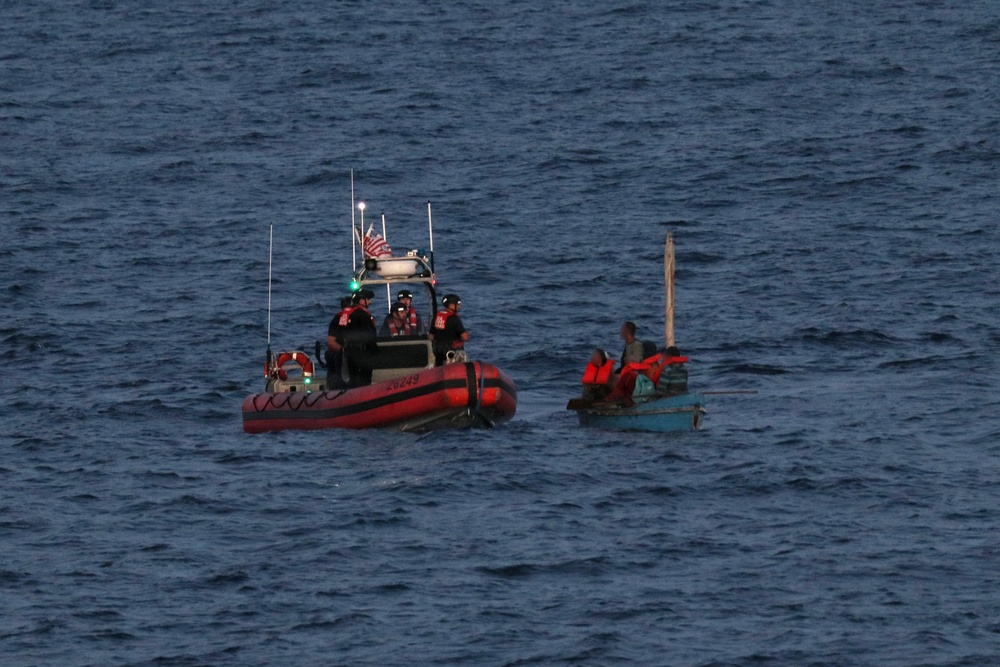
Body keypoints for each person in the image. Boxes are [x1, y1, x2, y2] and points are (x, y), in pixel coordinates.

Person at [602, 346, 690, 407]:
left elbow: (660, 391)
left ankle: (608, 401)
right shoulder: (684, 369)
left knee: (627, 379)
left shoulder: (666, 370)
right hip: (681, 397)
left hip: (666, 399)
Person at [336, 289, 378, 387]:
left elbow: (339, 335)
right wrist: (375, 351)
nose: (370, 302)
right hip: (362, 354)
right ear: (361, 301)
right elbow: (370, 336)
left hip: (349, 353)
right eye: (368, 299)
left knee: (352, 380)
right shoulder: (363, 315)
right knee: (364, 381)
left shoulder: (345, 314)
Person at [431, 293, 469, 365]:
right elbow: (465, 337)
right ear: (451, 305)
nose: (459, 306)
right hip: (451, 353)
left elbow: (431, 336)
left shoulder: (437, 316)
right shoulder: (454, 319)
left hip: (438, 351)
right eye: (457, 305)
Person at [325, 295, 354, 388]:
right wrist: (344, 351)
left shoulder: (359, 318)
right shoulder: (340, 319)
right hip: (342, 356)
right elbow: (331, 343)